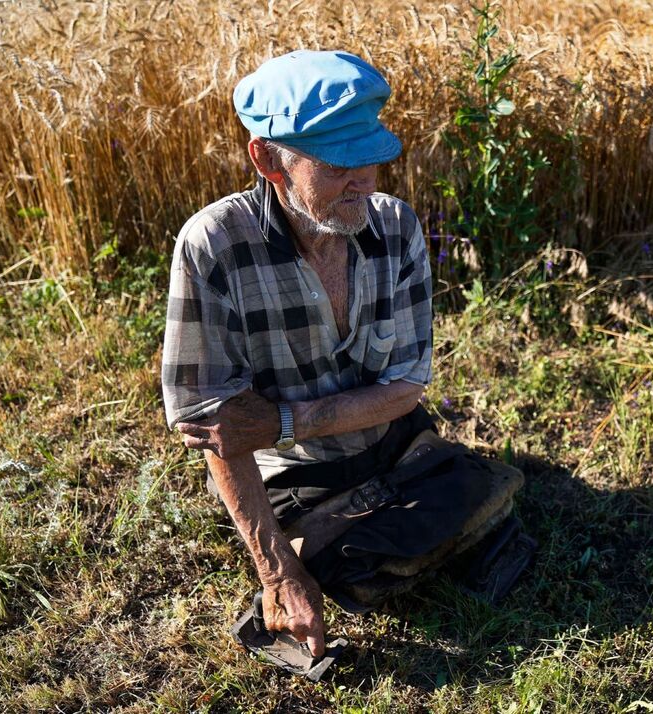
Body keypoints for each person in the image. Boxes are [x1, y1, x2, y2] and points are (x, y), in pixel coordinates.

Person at [161, 50, 446, 658]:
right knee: (361, 567)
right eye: (339, 163)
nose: (364, 179)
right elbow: (217, 425)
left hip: (388, 437)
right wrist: (277, 573)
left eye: (370, 157)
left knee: (472, 511)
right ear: (268, 161)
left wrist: (287, 418)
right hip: (289, 471)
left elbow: (405, 390)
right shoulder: (213, 247)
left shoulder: (396, 228)